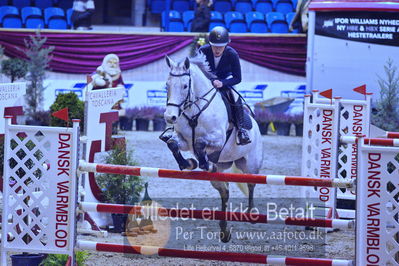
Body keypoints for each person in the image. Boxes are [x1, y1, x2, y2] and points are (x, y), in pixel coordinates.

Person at [198, 26, 250, 145]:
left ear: (226, 45)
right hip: (207, 81)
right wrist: (212, 80)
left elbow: (238, 78)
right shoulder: (203, 51)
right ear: (210, 44)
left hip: (225, 81)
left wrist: (222, 83)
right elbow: (199, 70)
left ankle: (241, 129)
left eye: (220, 47)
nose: (217, 50)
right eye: (215, 46)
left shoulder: (232, 54)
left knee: (235, 96)